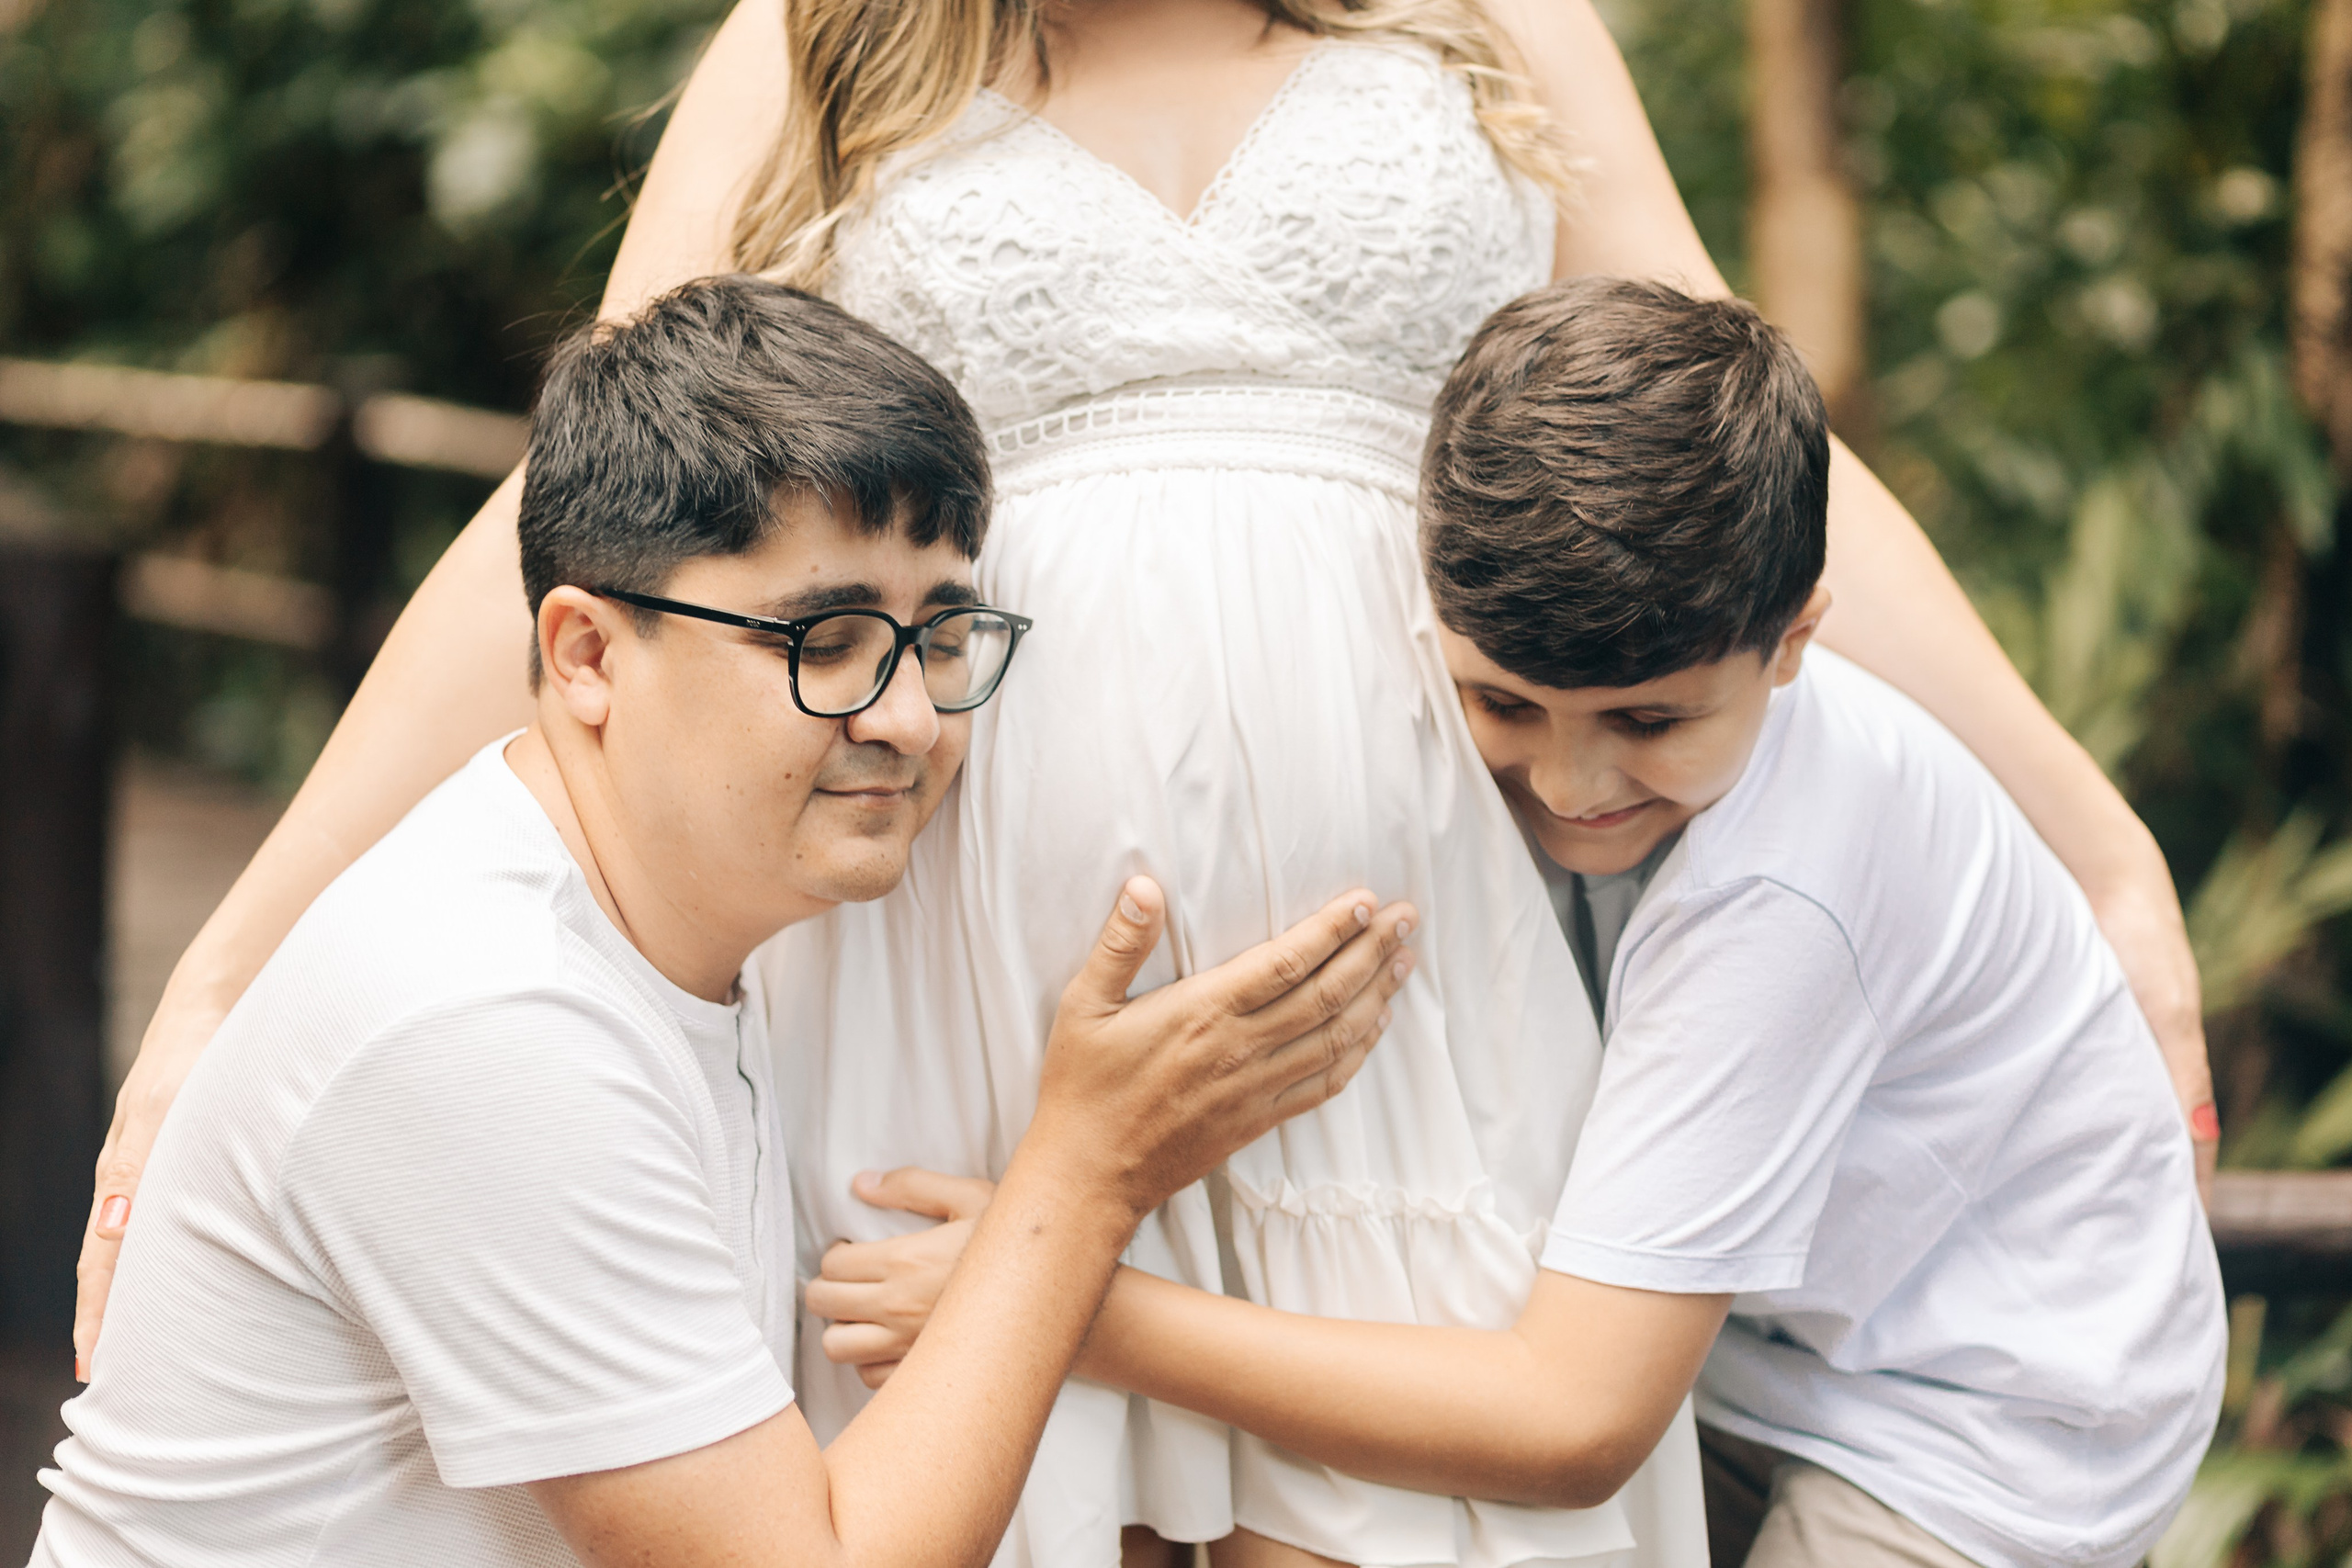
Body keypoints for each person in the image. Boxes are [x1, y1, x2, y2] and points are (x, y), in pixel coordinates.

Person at [77, 5, 2215, 1566]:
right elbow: (586, 510)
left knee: (1413, 1503)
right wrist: (231, 967)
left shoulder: (1485, 16)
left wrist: (2092, 839)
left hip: (1384, 978)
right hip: (962, 959)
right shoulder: (831, 32)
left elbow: (1760, 466)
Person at [813, 279, 2228, 1568]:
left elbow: (1572, 1425)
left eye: (1650, 720)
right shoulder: (1595, 764)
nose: (1570, 785)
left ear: (1796, 637)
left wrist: (1042, 1294)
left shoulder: (1784, 888)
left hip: (1988, 1433)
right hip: (1756, 1370)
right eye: (1501, 705)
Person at [32, 275, 1417, 1568]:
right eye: (824, 641)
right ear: (586, 653)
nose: (909, 720)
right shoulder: (485, 1013)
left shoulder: (651, 920)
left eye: (938, 636)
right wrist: (1091, 1166)